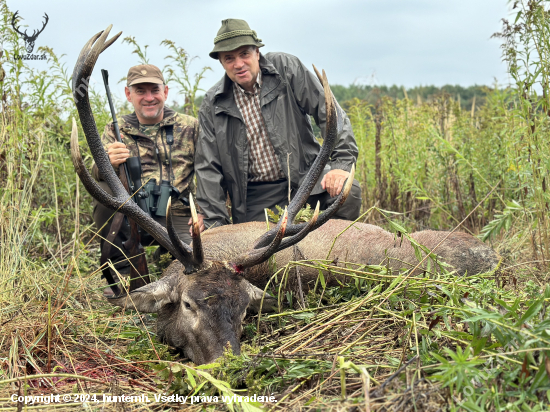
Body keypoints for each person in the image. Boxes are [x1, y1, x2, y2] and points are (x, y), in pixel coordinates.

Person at [195, 19, 362, 228]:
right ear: (221, 62)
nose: (238, 64)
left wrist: (340, 165)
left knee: (348, 192)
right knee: (258, 251)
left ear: (257, 52)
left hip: (307, 179)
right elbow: (208, 168)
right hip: (258, 197)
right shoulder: (213, 103)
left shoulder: (286, 68)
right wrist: (215, 227)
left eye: (244, 54)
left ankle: (330, 257)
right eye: (229, 58)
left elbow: (331, 114)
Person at [92, 64, 200, 294]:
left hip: (176, 214)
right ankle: (122, 275)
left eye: (154, 90)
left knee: (198, 261)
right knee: (103, 193)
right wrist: (106, 162)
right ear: (128, 94)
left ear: (166, 92)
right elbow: (95, 172)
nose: (149, 97)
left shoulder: (190, 126)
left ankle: (169, 262)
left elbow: (210, 171)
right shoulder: (115, 129)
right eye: (141, 91)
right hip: (132, 214)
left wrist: (202, 211)